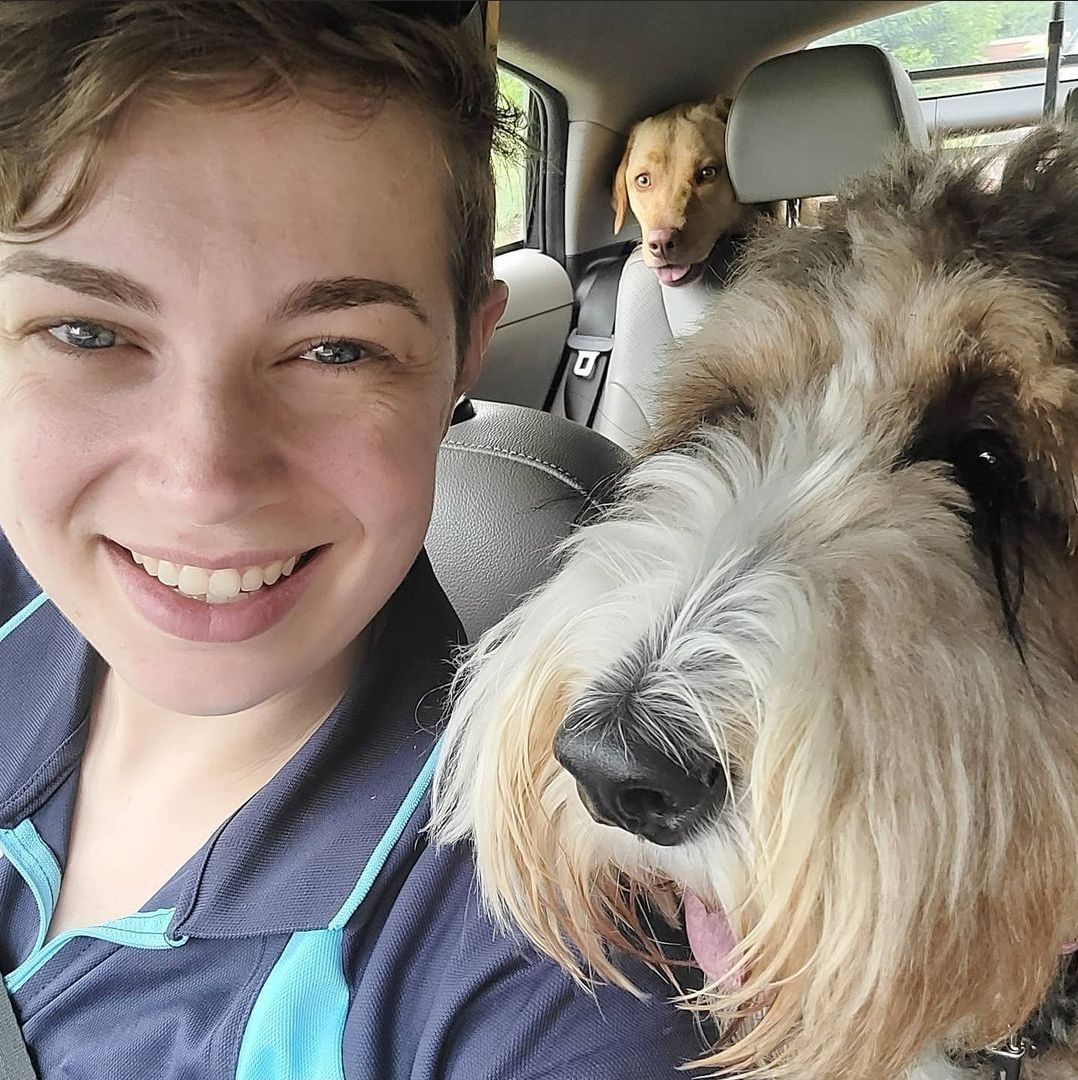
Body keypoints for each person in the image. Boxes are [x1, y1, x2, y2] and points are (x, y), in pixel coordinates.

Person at [0, 2, 705, 1076]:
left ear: (464, 353)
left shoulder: (553, 987)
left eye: (335, 349)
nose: (205, 482)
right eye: (87, 334)